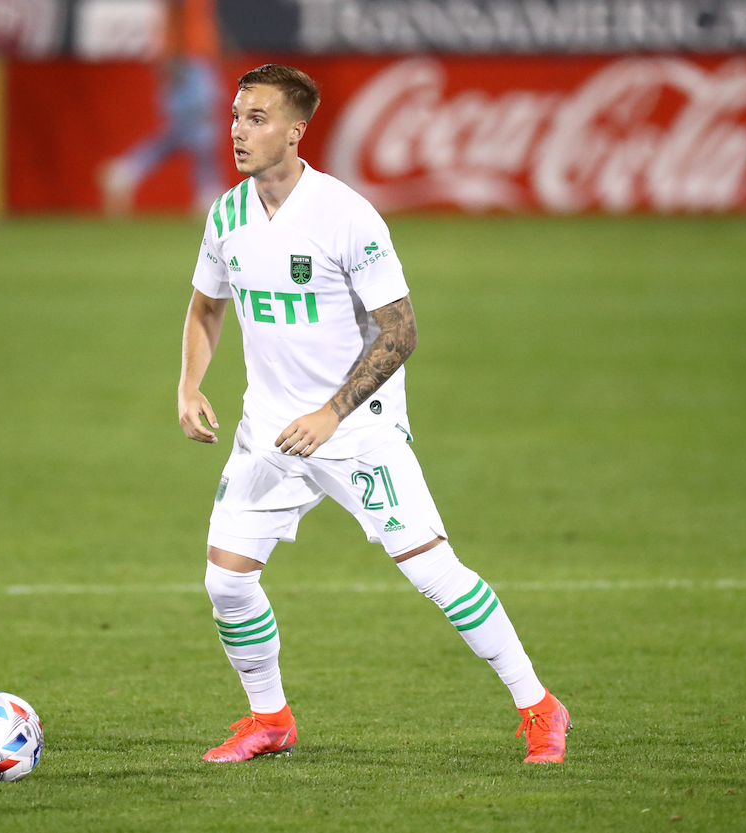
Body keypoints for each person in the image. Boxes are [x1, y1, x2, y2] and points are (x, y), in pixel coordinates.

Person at [177, 64, 569, 765]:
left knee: (433, 571)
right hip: (268, 432)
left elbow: (401, 331)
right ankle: (270, 718)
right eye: (237, 115)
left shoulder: (345, 214)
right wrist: (188, 385)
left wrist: (331, 415)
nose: (238, 130)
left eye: (257, 118)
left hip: (357, 429)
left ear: (296, 132)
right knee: (226, 581)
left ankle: (540, 706)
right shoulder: (228, 214)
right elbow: (209, 304)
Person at [99, 0, 224, 216]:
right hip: (188, 64)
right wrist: (175, 62)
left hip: (191, 61)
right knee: (204, 132)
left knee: (180, 135)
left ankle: (126, 171)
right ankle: (207, 194)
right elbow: (178, 19)